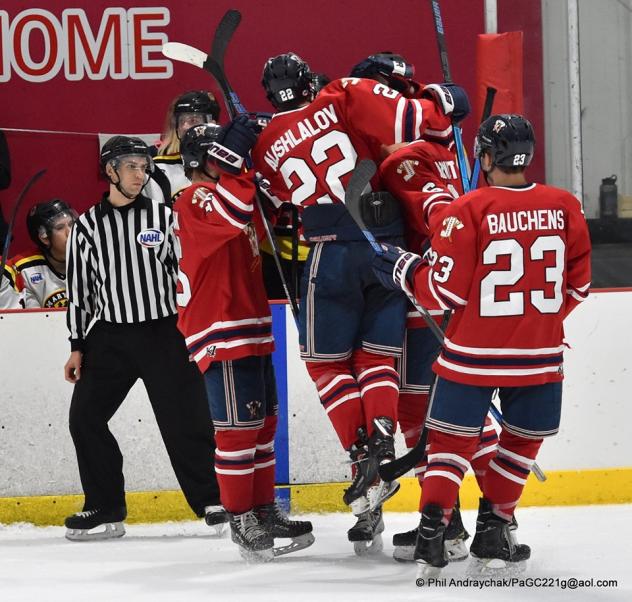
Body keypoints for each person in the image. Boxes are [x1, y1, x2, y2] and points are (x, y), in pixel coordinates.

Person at [252, 51, 469, 553]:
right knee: (380, 363)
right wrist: (445, 99)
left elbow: (279, 195)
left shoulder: (270, 138)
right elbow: (426, 119)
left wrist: (252, 141)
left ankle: (371, 457)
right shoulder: (348, 100)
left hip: (339, 255)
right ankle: (395, 474)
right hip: (397, 261)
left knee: (329, 364)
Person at [372, 114, 592, 572]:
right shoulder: (566, 205)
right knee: (519, 445)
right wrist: (535, 326)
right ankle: (494, 531)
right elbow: (576, 289)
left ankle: (433, 535)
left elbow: (442, 293)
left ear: (487, 157)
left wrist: (404, 269)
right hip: (538, 357)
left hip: (469, 356)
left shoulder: (468, 209)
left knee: (449, 446)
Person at [63, 135, 225, 540]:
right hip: (110, 338)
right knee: (84, 419)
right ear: (110, 171)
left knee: (186, 420)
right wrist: (77, 345)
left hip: (164, 334)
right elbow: (82, 289)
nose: (141, 173)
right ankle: (105, 507)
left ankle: (212, 500)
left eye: (143, 165)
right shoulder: (85, 225)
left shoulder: (163, 215)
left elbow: (186, 274)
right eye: (132, 166)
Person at [173, 120, 314, 561]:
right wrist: (235, 161)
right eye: (220, 154)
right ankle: (240, 516)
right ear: (202, 160)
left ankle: (263, 507)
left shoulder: (225, 192)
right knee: (238, 431)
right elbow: (233, 212)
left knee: (264, 426)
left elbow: (273, 208)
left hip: (248, 323)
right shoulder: (193, 199)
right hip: (220, 327)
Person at [145, 90, 221, 204]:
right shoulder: (157, 167)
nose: (185, 126)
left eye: (193, 120)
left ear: (212, 124)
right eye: (181, 121)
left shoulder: (227, 165)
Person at [10, 200, 76, 308]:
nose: (70, 232)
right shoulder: (26, 269)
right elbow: (33, 320)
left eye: (71, 224)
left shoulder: (93, 258)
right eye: (60, 228)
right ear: (44, 238)